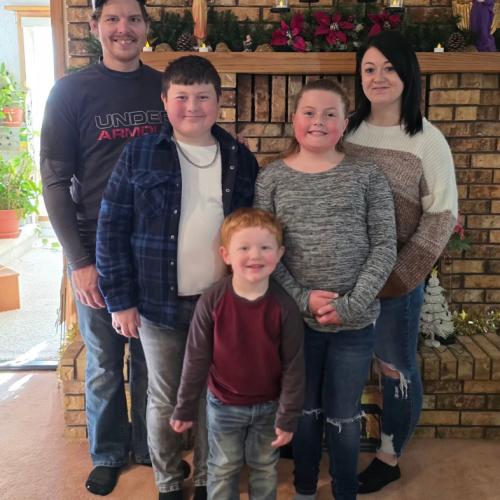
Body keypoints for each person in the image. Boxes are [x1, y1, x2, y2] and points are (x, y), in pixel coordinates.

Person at [96, 55, 259, 500]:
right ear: (165, 101)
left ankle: (206, 480)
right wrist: (120, 300)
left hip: (221, 305)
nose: (192, 107)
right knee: (165, 399)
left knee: (213, 397)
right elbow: (111, 228)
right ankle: (168, 482)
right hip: (156, 305)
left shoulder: (240, 158)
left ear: (219, 101)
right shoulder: (140, 153)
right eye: (182, 97)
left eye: (203, 97)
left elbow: (256, 231)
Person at [40, 0, 168, 495]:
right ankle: (109, 452)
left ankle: (149, 446)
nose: (123, 29)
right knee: (104, 361)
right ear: (95, 26)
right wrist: (79, 261)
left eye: (133, 19)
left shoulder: (164, 88)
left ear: (146, 27)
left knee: (151, 358)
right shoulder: (71, 92)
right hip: (96, 248)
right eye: (112, 19)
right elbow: (55, 180)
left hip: (155, 247)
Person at [254, 78, 397, 500]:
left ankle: (344, 489)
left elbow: (385, 246)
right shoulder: (271, 178)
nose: (319, 121)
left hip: (354, 324)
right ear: (294, 119)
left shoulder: (367, 175)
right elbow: (263, 251)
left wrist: (351, 304)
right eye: (310, 112)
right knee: (304, 410)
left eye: (330, 114)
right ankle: (304, 488)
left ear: (345, 122)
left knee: (343, 414)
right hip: (297, 323)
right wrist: (302, 298)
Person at [339, 30, 458, 494]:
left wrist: (401, 277)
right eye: (369, 69)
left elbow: (442, 217)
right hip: (345, 277)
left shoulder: (427, 140)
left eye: (389, 68)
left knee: (395, 368)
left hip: (395, 282)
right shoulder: (347, 129)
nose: (378, 77)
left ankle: (389, 456)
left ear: (408, 74)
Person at [170, 207, 305, 500]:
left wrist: (287, 416)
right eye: (244, 248)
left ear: (279, 253)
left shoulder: (285, 306)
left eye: (265, 247)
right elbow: (196, 358)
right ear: (226, 254)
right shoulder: (212, 300)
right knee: (222, 468)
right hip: (223, 404)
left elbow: (294, 367)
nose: (255, 255)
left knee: (264, 468)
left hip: (269, 407)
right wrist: (185, 406)